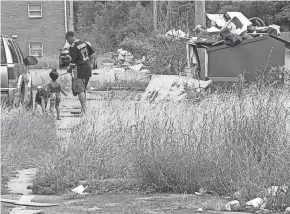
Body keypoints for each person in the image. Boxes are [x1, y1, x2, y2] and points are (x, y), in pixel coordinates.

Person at [65, 31, 95, 115]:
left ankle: (84, 110)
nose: (67, 41)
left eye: (67, 39)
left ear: (70, 37)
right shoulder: (84, 43)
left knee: (80, 90)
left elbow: (73, 62)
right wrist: (91, 64)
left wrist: (69, 69)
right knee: (83, 89)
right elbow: (92, 54)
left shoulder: (73, 46)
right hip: (87, 68)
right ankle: (83, 109)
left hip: (79, 69)